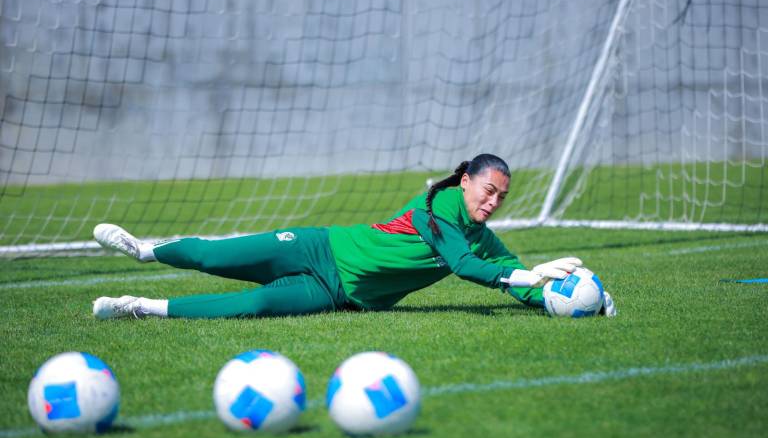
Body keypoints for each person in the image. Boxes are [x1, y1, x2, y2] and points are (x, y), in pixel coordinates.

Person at [92, 153, 615, 319]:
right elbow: (465, 267)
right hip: (320, 246)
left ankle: (137, 307)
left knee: (254, 306)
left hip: (339, 292)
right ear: (465, 181)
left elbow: (509, 276)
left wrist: (572, 296)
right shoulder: (435, 208)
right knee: (215, 257)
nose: (493, 201)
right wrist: (527, 275)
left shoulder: (481, 237)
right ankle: (142, 250)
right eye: (488, 190)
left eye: (501, 196)